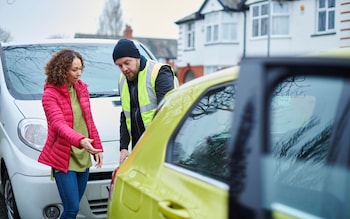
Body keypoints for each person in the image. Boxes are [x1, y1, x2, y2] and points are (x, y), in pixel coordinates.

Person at [38, 49, 103, 219]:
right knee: (71, 208)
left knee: (75, 206)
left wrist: (98, 147)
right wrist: (80, 140)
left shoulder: (81, 89)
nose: (79, 73)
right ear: (62, 69)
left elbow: (89, 121)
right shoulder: (50, 95)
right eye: (74, 70)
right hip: (63, 157)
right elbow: (58, 124)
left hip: (83, 156)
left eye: (80, 68)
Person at [113, 38, 177, 164]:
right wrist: (124, 147)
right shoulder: (122, 79)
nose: (124, 68)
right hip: (139, 148)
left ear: (137, 57)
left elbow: (166, 113)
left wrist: (154, 148)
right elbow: (125, 115)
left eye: (127, 62)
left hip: (161, 147)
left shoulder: (159, 72)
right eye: (120, 65)